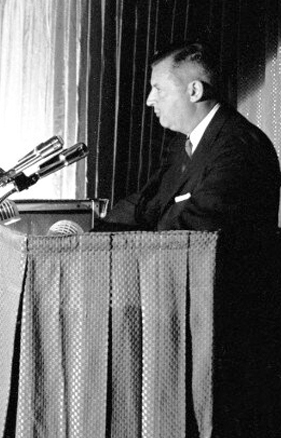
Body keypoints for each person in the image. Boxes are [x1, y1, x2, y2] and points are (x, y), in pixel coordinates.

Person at [100, 41, 281, 434]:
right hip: (186, 312)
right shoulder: (187, 145)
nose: (150, 100)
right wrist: (89, 235)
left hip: (227, 334)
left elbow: (191, 230)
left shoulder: (237, 148)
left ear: (194, 91)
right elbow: (145, 203)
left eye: (158, 89)